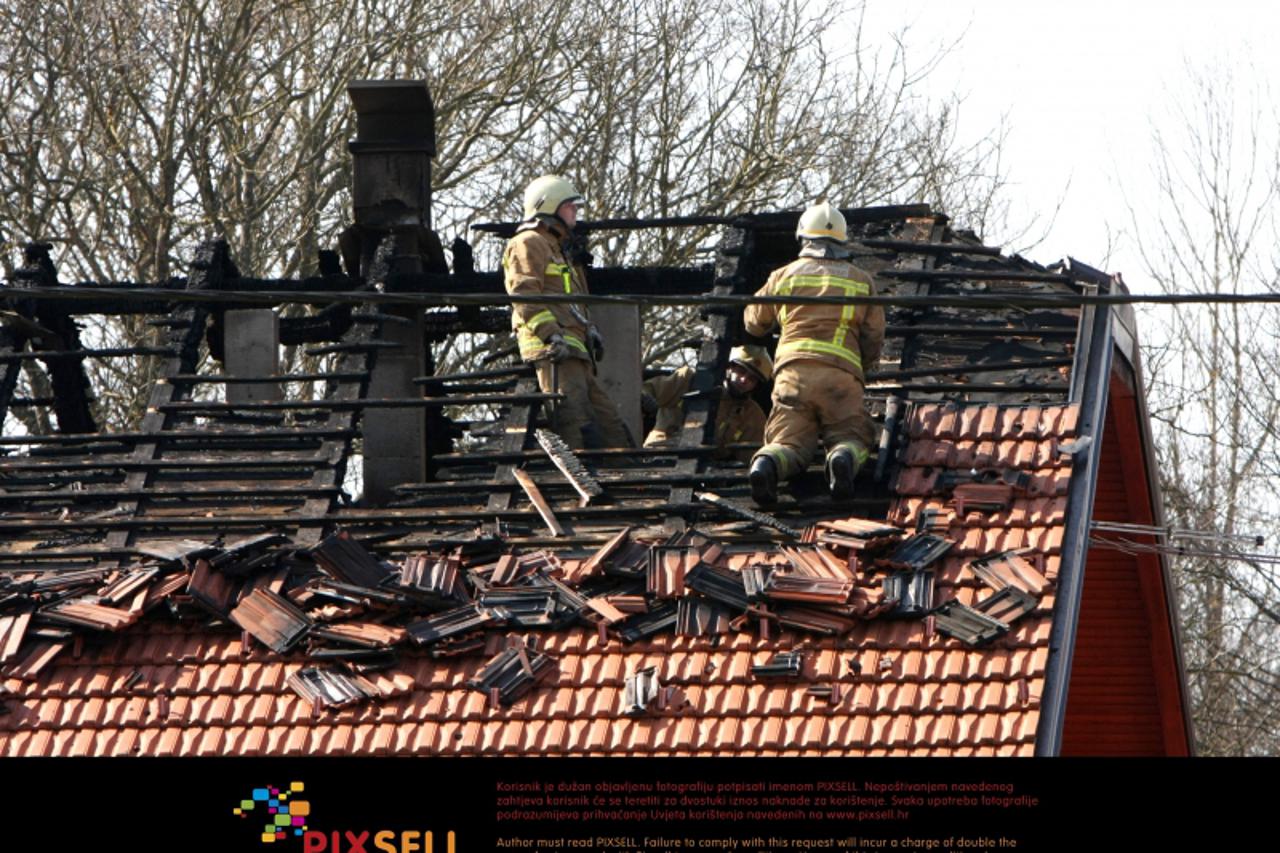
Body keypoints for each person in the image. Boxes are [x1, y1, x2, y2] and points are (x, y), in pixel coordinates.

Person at [743, 202, 884, 504]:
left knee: (788, 442)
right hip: (840, 376)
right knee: (853, 436)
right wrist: (863, 368)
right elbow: (874, 336)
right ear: (842, 240)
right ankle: (841, 459)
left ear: (803, 237)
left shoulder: (783, 276)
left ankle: (766, 464)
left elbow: (754, 323)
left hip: (792, 376)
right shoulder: (861, 280)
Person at [503, 175, 630, 449]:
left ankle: (624, 477)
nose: (576, 212)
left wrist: (589, 330)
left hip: (575, 352)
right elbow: (524, 294)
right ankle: (583, 488)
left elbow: (570, 302)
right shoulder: (528, 242)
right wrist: (551, 336)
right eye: (570, 205)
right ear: (548, 205)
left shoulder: (558, 249)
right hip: (555, 354)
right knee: (577, 427)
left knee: (611, 426)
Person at [641, 345, 772, 461]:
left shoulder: (753, 415)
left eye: (752, 379)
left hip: (703, 471)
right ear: (729, 367)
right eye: (741, 371)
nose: (744, 380)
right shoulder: (688, 380)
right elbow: (646, 390)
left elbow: (751, 457)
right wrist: (647, 400)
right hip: (659, 456)